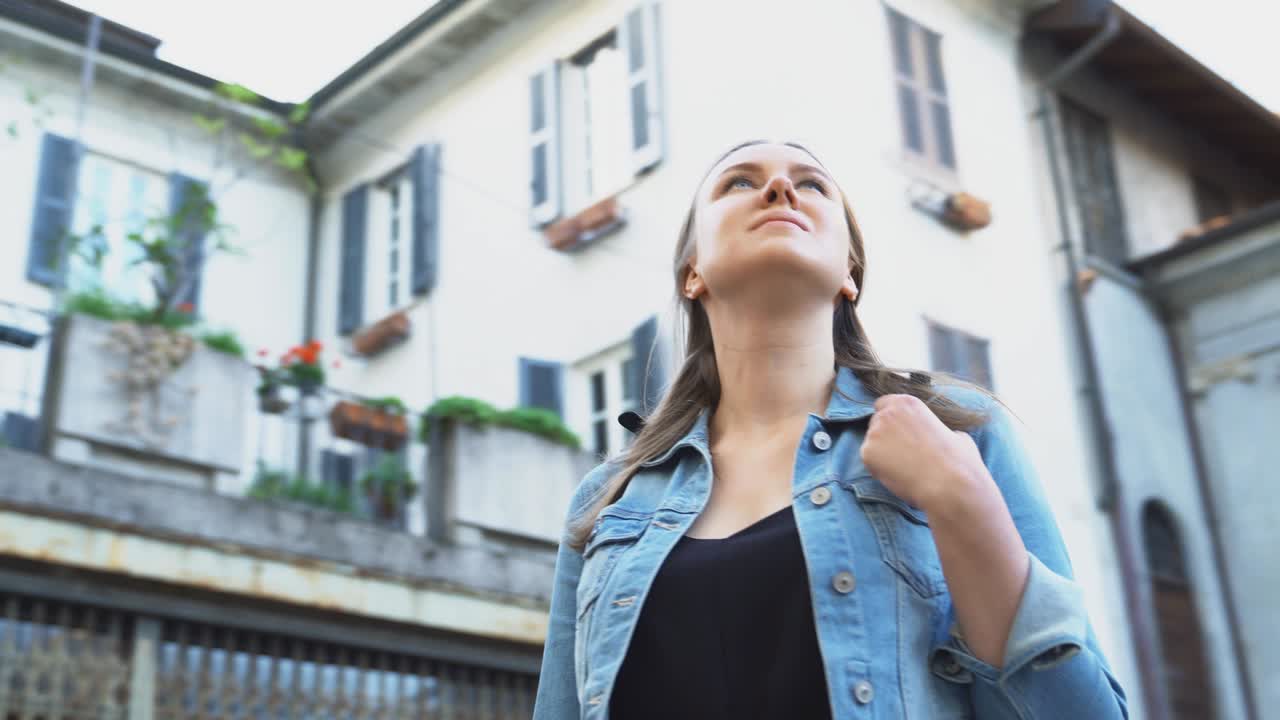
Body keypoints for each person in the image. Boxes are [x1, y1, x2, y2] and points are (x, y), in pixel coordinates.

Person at [531, 140, 1128, 719]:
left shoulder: (958, 431)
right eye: (739, 182)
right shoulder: (606, 501)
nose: (779, 188)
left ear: (849, 271)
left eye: (813, 184)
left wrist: (960, 500)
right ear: (693, 273)